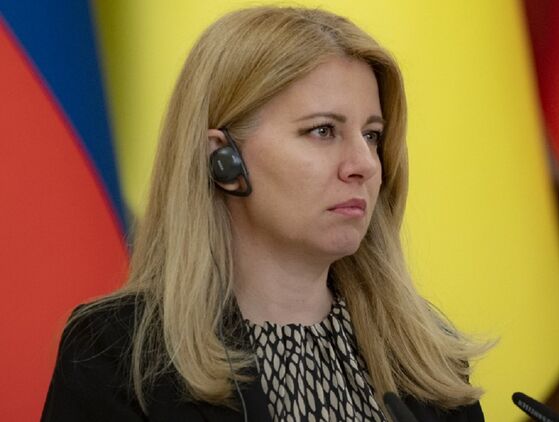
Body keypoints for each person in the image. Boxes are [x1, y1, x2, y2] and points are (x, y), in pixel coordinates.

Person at [42, 6, 490, 421]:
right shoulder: (115, 353)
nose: (365, 165)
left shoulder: (428, 354)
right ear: (223, 160)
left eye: (372, 135)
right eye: (322, 130)